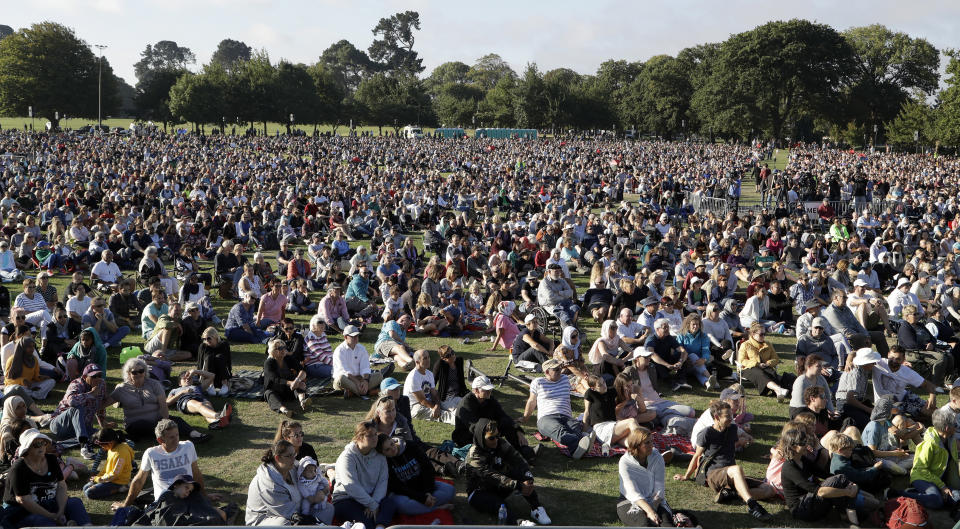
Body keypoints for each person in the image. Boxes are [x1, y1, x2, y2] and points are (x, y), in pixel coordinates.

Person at [674, 401, 775, 521]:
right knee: (737, 469)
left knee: (769, 490)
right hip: (713, 474)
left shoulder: (732, 429)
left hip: (731, 474)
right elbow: (697, 456)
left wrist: (746, 439)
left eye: (731, 415)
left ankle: (732, 494)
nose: (731, 418)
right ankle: (752, 505)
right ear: (717, 417)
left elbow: (731, 444)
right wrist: (686, 476)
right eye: (727, 416)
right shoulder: (707, 433)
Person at [778, 428, 878, 525]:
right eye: (802, 443)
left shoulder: (802, 459)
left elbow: (824, 474)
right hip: (802, 509)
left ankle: (849, 513)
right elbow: (819, 491)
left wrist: (850, 484)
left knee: (840, 479)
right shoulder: (790, 468)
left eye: (806, 441)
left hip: (812, 500)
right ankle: (850, 517)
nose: (806, 445)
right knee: (839, 481)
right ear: (792, 446)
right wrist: (847, 492)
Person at [111, 419, 214, 510]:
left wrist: (204, 495)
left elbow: (196, 472)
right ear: (160, 440)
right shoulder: (151, 453)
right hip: (165, 501)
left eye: (177, 435)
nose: (176, 439)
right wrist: (125, 505)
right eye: (171, 437)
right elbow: (139, 480)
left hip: (188, 495)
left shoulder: (188, 446)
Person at [465, 418, 551, 525]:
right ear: (481, 438)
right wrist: (518, 485)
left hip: (499, 485)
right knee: (499, 505)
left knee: (521, 474)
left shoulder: (500, 443)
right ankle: (518, 523)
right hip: (479, 492)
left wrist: (528, 478)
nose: (496, 440)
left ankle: (536, 508)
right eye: (491, 438)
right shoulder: (474, 455)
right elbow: (491, 476)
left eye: (497, 435)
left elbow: (518, 459)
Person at [107, 358, 208, 443]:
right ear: (129, 374)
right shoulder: (122, 388)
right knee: (147, 425)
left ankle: (195, 435)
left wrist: (165, 422)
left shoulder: (154, 384)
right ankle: (167, 435)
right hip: (135, 424)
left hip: (157, 419)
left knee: (177, 420)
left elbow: (163, 405)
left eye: (141, 371)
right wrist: (103, 422)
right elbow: (103, 404)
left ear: (145, 371)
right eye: (134, 372)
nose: (138, 374)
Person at [3, 429, 92, 526]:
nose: (41, 447)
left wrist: (61, 511)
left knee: (75, 503)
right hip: (23, 509)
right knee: (38, 520)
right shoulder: (19, 468)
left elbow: (61, 486)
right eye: (36, 444)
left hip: (50, 502)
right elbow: (24, 500)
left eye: (43, 443)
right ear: (27, 448)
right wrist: (51, 516)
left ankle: (86, 526)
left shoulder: (51, 459)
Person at [522, 358, 596, 459]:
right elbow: (531, 401)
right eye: (556, 370)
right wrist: (525, 417)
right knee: (560, 431)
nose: (560, 371)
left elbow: (581, 381)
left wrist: (587, 379)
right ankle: (581, 444)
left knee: (575, 428)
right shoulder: (538, 382)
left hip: (566, 416)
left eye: (560, 368)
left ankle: (578, 449)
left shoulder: (565, 379)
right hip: (547, 417)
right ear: (547, 372)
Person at [332, 421, 396, 529]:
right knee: (366, 523)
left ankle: (380, 527)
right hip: (347, 498)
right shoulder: (347, 457)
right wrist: (372, 505)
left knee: (390, 504)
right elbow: (351, 486)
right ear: (359, 438)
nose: (375, 438)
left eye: (375, 434)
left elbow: (383, 481)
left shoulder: (379, 455)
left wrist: (374, 501)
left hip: (371, 497)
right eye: (370, 435)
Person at [617, 427, 685, 527]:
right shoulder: (625, 462)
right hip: (630, 501)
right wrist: (649, 511)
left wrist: (653, 507)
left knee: (666, 525)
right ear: (637, 445)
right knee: (645, 524)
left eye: (651, 441)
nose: (651, 445)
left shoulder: (657, 457)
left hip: (655, 500)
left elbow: (659, 489)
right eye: (647, 443)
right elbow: (632, 492)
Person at [377, 434, 455, 515]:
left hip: (422, 485)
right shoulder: (384, 462)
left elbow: (428, 469)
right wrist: (421, 498)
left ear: (393, 440)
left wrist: (428, 492)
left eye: (392, 444)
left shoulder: (410, 446)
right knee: (403, 506)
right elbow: (397, 487)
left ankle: (423, 506)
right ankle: (437, 508)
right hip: (405, 493)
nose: (392, 449)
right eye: (387, 450)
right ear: (382, 453)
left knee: (450, 490)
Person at [901, 407, 960, 510]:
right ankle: (899, 494)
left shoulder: (951, 439)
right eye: (955, 425)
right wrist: (942, 486)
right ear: (947, 428)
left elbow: (954, 461)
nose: (957, 427)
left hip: (937, 479)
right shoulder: (930, 444)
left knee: (957, 498)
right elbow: (921, 469)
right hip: (921, 477)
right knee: (936, 501)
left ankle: (921, 493)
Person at [49, 363, 109, 459]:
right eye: (94, 376)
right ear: (85, 377)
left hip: (81, 428)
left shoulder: (101, 384)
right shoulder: (76, 384)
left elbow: (101, 405)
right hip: (60, 425)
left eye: (99, 375)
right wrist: (91, 394)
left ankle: (61, 445)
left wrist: (103, 424)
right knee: (77, 407)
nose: (98, 378)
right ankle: (84, 445)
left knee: (105, 436)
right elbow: (71, 401)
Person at [245, 439, 305, 526]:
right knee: (283, 524)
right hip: (264, 519)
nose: (294, 458)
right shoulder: (269, 484)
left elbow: (311, 471)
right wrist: (310, 520)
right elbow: (288, 512)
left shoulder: (291, 466)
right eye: (289, 456)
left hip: (292, 511)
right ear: (277, 458)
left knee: (326, 509)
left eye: (294, 454)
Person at [872, 345, 940, 420]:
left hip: (905, 397)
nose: (894, 361)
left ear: (903, 359)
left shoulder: (907, 372)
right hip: (886, 404)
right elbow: (862, 356)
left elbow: (927, 384)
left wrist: (932, 396)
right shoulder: (878, 363)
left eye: (898, 359)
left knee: (932, 412)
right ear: (888, 354)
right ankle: (917, 415)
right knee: (898, 419)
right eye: (892, 358)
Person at [738, 322, 793, 401]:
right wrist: (756, 364)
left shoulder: (768, 344)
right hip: (747, 368)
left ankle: (778, 393)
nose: (763, 336)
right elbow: (742, 360)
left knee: (772, 373)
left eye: (764, 334)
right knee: (760, 374)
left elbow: (776, 358)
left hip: (764, 367)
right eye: (761, 334)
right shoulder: (746, 345)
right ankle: (778, 389)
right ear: (753, 334)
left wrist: (768, 363)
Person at [167, 369, 232, 429]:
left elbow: (212, 376)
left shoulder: (198, 387)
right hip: (186, 400)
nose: (187, 379)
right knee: (199, 405)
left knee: (208, 408)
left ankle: (216, 423)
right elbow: (167, 403)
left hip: (201, 399)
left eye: (189, 378)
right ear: (179, 383)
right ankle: (219, 416)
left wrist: (195, 371)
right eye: (184, 379)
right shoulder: (175, 390)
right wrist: (182, 392)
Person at [404, 349, 457, 424]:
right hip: (415, 406)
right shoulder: (413, 377)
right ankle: (458, 420)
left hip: (428, 400)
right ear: (417, 362)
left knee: (447, 401)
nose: (428, 360)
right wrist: (434, 407)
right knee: (441, 415)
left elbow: (434, 394)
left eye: (428, 357)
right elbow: (422, 400)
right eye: (425, 358)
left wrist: (437, 405)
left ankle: (460, 411)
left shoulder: (429, 374)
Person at [333, 325, 384, 398]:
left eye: (357, 336)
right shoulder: (339, 351)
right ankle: (366, 392)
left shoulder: (361, 348)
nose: (356, 338)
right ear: (345, 337)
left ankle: (353, 392)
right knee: (340, 378)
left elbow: (365, 367)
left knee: (379, 376)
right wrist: (357, 382)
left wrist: (365, 381)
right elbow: (345, 372)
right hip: (346, 379)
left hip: (360, 379)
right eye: (353, 336)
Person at [83, 428, 134, 500]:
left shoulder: (121, 453)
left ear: (110, 442)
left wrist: (98, 479)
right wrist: (97, 476)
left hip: (118, 482)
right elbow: (106, 468)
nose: (101, 447)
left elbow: (114, 475)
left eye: (101, 445)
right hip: (110, 479)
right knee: (85, 488)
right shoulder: (111, 448)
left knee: (89, 493)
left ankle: (121, 488)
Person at [263, 338, 309, 417]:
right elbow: (275, 379)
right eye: (280, 348)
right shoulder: (269, 363)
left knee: (300, 383)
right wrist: (291, 383)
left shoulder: (288, 359)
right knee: (269, 394)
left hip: (289, 390)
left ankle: (302, 401)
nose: (284, 350)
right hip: (275, 389)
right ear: (273, 351)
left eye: (284, 347)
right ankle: (284, 410)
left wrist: (297, 381)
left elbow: (302, 370)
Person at [789, 355, 836, 419]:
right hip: (800, 412)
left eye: (821, 366)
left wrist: (832, 412)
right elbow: (800, 404)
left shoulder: (821, 378)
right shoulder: (801, 381)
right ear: (809, 367)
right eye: (818, 366)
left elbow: (828, 397)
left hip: (816, 409)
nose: (821, 368)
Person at [296, 457, 335, 524]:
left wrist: (325, 486)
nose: (314, 473)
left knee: (323, 502)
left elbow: (324, 481)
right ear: (303, 472)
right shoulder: (302, 481)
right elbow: (302, 489)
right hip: (308, 497)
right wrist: (308, 497)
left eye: (314, 471)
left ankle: (318, 509)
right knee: (305, 505)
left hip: (317, 493)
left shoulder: (317, 477)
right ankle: (305, 516)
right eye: (311, 472)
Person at [196, 327, 232, 396]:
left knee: (220, 357)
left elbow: (228, 362)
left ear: (215, 337)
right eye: (204, 339)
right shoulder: (203, 346)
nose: (206, 340)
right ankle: (210, 385)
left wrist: (229, 375)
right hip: (207, 377)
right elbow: (200, 363)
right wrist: (199, 377)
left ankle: (224, 384)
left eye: (209, 338)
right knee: (209, 357)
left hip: (221, 376)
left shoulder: (224, 345)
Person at [302, 314, 334, 379]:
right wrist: (336, 364)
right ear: (313, 325)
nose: (322, 324)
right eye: (319, 322)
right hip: (315, 366)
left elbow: (329, 352)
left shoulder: (323, 336)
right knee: (339, 372)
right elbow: (321, 356)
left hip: (326, 364)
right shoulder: (310, 339)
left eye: (323, 322)